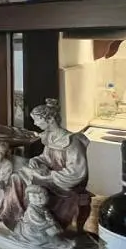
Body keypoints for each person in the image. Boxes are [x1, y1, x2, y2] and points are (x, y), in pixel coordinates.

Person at [20, 98, 90, 231]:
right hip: (50, 177)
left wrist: (50, 175)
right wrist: (37, 160)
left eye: (37, 120)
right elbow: (47, 158)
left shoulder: (72, 142)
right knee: (18, 175)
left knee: (24, 181)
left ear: (50, 119)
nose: (35, 123)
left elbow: (77, 172)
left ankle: (42, 224)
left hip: (65, 182)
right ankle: (22, 217)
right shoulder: (50, 137)